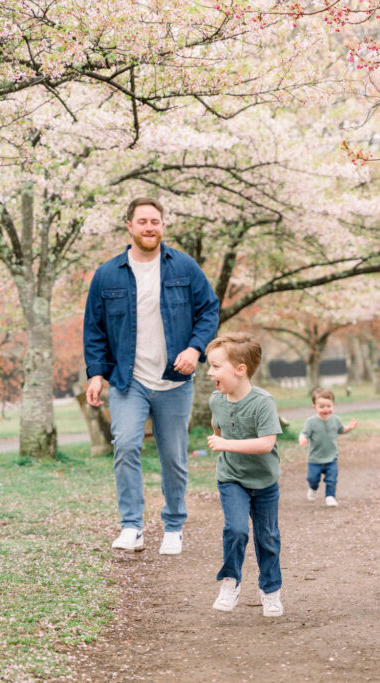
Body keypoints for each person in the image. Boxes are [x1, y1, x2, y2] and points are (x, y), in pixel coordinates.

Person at [83, 197, 219, 555]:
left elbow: (209, 309)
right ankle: (132, 527)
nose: (149, 227)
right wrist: (96, 374)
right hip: (129, 381)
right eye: (142, 221)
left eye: (155, 221)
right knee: (126, 445)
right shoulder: (107, 274)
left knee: (173, 455)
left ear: (162, 226)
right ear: (129, 226)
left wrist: (194, 348)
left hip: (174, 380)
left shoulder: (184, 267)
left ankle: (174, 525)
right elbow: (94, 330)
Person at [205, 332, 284, 617]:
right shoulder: (217, 400)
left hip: (265, 483)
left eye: (215, 366)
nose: (209, 371)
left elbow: (266, 444)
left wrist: (226, 443)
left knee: (268, 538)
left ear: (240, 370)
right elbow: (218, 426)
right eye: (210, 365)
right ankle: (230, 581)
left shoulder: (263, 402)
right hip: (231, 477)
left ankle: (271, 590)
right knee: (236, 530)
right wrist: (220, 440)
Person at [299, 387, 357, 507]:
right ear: (314, 407)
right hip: (315, 459)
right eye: (321, 407)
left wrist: (349, 428)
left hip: (331, 458)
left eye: (329, 406)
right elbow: (304, 433)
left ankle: (330, 496)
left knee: (332, 479)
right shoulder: (311, 422)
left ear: (333, 405)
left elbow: (342, 430)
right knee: (313, 478)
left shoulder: (335, 420)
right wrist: (302, 438)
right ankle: (313, 488)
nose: (326, 409)